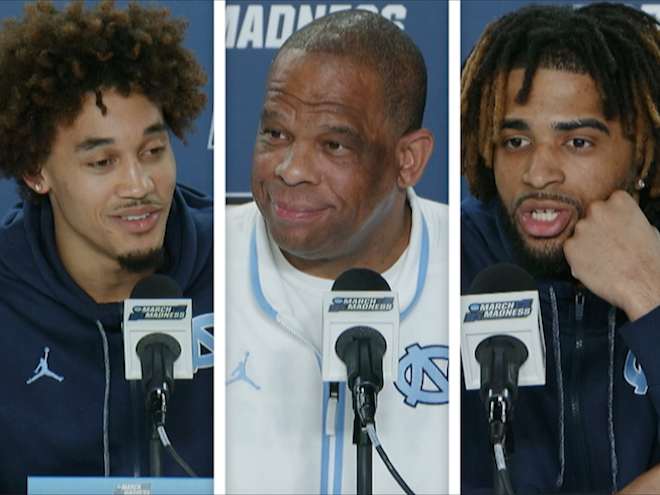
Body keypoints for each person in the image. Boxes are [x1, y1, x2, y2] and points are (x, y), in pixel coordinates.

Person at [226, 10, 448, 494]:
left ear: (407, 160)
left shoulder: (476, 267)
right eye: (275, 134)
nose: (290, 169)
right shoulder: (196, 260)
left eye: (333, 145)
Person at [0, 1, 213, 492]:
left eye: (153, 152)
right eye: (102, 163)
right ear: (37, 172)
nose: (139, 185)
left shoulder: (237, 274)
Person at [461, 3, 660, 493]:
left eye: (577, 142)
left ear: (640, 150)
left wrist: (648, 288)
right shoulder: (452, 255)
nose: (537, 172)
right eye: (515, 141)